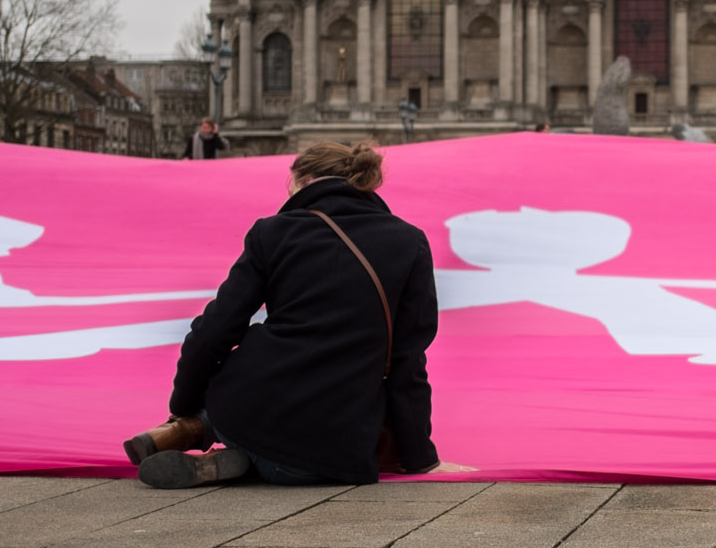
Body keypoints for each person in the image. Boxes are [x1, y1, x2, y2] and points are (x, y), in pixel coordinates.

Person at [126, 141, 469, 487]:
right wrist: (422, 460)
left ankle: (199, 427)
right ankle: (237, 458)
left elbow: (213, 333)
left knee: (245, 385)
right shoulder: (410, 241)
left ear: (304, 182)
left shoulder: (273, 232)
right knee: (286, 453)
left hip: (249, 409)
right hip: (338, 453)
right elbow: (407, 359)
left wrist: (184, 405)